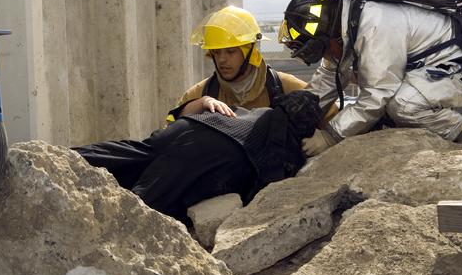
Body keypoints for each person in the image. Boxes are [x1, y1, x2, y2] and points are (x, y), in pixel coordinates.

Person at [278, 0, 462, 157]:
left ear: (329, 37)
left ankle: (461, 139)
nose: (327, 56)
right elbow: (329, 77)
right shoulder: (347, 26)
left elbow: (376, 97)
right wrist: (299, 111)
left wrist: (330, 136)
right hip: (438, 62)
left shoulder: (374, 28)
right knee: (390, 102)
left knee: (403, 105)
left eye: (324, 50)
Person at [74, 90, 322, 223]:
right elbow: (268, 189)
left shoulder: (259, 112)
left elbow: (184, 113)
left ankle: (64, 159)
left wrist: (203, 101)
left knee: (131, 155)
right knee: (143, 205)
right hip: (205, 152)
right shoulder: (282, 142)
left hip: (193, 125)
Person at [166, 5, 320, 123]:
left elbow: (327, 114)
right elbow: (168, 132)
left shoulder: (285, 87)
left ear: (250, 52)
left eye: (231, 51)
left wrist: (324, 137)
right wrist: (198, 106)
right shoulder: (200, 94)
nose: (222, 59)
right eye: (216, 52)